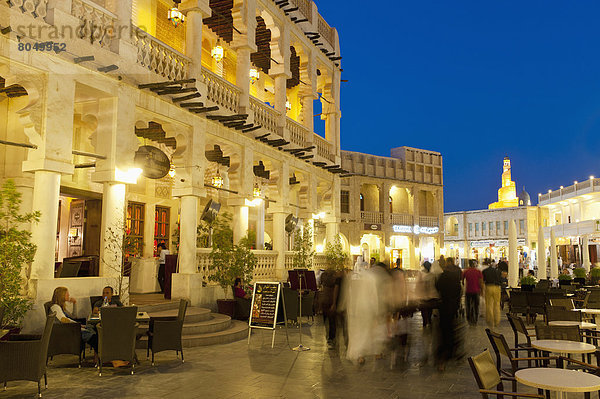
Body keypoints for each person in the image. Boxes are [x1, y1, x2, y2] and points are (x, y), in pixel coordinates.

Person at [50, 287, 98, 355]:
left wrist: (74, 304)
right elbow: (64, 320)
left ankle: (98, 356)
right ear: (62, 295)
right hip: (67, 331)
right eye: (67, 294)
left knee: (93, 328)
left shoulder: (61, 307)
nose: (69, 295)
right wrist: (78, 325)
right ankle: (102, 356)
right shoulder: (55, 307)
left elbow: (74, 317)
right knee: (91, 335)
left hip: (71, 328)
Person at [435, 257, 462, 371]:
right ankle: (452, 351)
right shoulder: (456, 277)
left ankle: (443, 356)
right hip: (453, 306)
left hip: (444, 306)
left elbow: (437, 287)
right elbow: (459, 291)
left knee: (444, 330)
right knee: (451, 329)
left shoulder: (442, 276)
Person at [319, 267, 341, 349]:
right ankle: (331, 339)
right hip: (329, 301)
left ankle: (331, 338)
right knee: (331, 321)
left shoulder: (325, 279)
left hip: (326, 301)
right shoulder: (336, 280)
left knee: (329, 321)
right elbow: (336, 290)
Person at [417, 261, 438, 328]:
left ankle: (425, 321)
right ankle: (429, 320)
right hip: (431, 294)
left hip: (423, 295)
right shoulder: (432, 274)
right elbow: (436, 283)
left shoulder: (421, 273)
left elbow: (418, 284)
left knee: (423, 309)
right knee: (429, 309)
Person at [463, 259, 483, 325]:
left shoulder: (466, 271)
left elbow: (462, 279)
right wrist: (481, 290)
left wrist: (464, 283)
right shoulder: (478, 272)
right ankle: (475, 319)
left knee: (468, 305)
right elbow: (480, 282)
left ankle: (469, 318)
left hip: (468, 290)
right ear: (475, 264)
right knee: (476, 305)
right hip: (476, 291)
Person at [482, 259, 502, 327]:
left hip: (488, 286)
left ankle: (490, 320)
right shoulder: (498, 271)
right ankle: (497, 320)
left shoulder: (485, 271)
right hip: (497, 287)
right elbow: (501, 279)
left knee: (489, 304)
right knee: (497, 304)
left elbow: (483, 280)